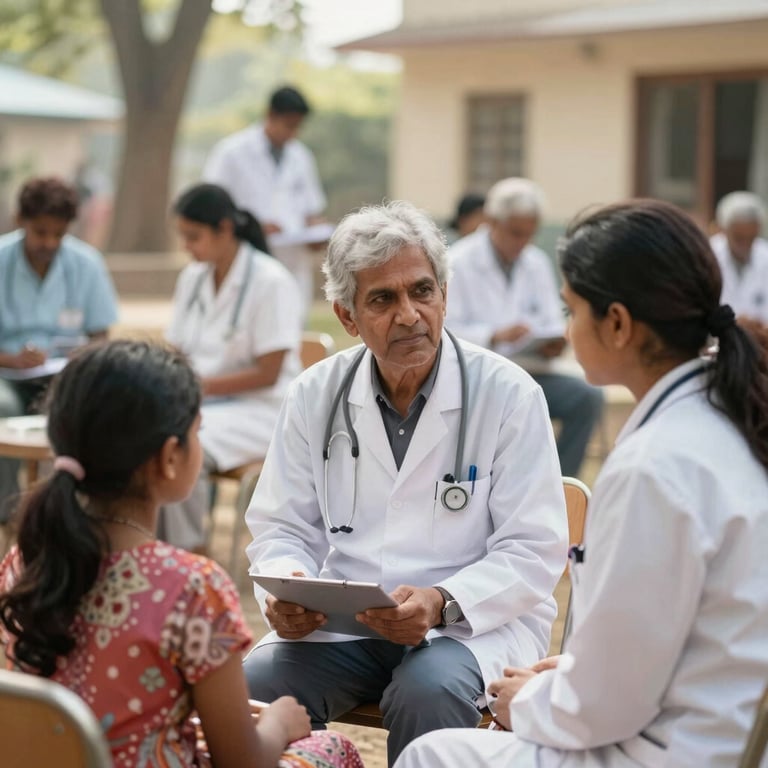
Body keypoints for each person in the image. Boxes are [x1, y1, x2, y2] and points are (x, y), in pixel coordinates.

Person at [395, 199, 768, 768]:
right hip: (721, 730)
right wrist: (570, 675)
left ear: (616, 324)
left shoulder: (654, 465)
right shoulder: (733, 419)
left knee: (434, 755)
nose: (566, 328)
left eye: (571, 310)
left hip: (671, 750)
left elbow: (606, 708)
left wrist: (532, 699)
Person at [243, 200, 568, 767]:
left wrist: (442, 602)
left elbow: (533, 549)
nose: (410, 314)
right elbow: (281, 526)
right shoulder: (314, 395)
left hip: (469, 626)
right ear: (347, 317)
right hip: (348, 628)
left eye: (422, 291)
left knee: (428, 692)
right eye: (383, 299)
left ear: (444, 293)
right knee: (256, 682)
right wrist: (286, 591)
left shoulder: (509, 394)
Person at [0, 339, 364, 768]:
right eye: (197, 430)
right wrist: (281, 722)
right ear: (171, 458)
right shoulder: (191, 588)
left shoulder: (23, 563)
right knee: (333, 749)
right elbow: (242, 760)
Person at [160, 183, 303, 553]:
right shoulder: (192, 278)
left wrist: (198, 386)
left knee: (183, 444)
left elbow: (269, 373)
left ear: (224, 229)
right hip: (204, 404)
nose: (186, 246)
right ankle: (155, 551)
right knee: (146, 434)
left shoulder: (271, 281)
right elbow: (175, 347)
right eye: (183, 236)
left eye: (194, 236)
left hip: (261, 409)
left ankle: (189, 554)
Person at [446, 177, 603, 477]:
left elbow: (551, 320)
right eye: (515, 233)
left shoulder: (537, 262)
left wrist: (553, 341)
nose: (522, 243)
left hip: (533, 371)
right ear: (491, 221)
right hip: (479, 379)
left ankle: (560, 484)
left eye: (529, 235)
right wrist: (494, 335)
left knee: (587, 397)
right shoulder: (458, 261)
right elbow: (444, 332)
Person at [0, 176, 118, 521]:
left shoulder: (87, 264)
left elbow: (100, 336)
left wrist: (81, 356)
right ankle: (8, 512)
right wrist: (12, 359)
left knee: (75, 410)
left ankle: (58, 517)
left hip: (62, 374)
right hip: (6, 375)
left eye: (58, 234)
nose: (49, 242)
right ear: (19, 219)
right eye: (40, 232)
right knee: (2, 406)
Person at [203, 85, 327, 316]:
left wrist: (316, 231)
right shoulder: (231, 153)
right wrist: (254, 227)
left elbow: (312, 209)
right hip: (248, 259)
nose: (293, 133)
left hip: (293, 263)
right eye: (289, 125)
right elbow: (212, 208)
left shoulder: (301, 157)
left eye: (298, 126)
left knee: (291, 329)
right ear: (271, 115)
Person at [710, 190, 768, 327]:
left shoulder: (765, 256)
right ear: (723, 230)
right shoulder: (707, 256)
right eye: (739, 238)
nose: (745, 245)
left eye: (751, 238)